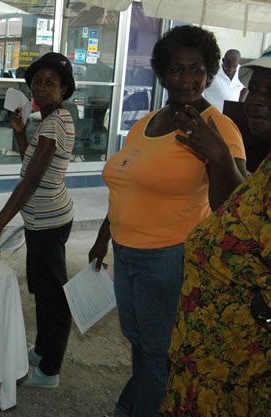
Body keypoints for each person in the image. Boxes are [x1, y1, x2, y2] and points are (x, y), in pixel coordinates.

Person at [88, 26, 247, 417]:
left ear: (209, 71)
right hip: (127, 252)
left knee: (160, 352)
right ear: (162, 73)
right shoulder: (146, 124)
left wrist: (218, 157)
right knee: (138, 341)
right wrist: (104, 236)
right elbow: (125, 183)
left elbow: (239, 206)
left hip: (169, 256)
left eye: (196, 69)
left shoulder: (219, 127)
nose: (187, 78)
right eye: (177, 68)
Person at [159, 47, 271, 417]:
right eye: (254, 90)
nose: (257, 101)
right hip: (207, 351)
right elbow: (238, 215)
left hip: (237, 364)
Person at [0, 52, 76, 388]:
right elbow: (31, 166)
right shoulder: (46, 120)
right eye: (37, 81)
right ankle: (42, 350)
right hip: (41, 221)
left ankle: (50, 370)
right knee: (41, 289)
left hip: (49, 222)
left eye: (51, 82)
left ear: (63, 89)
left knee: (53, 298)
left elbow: (30, 182)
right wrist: (21, 134)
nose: (42, 87)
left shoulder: (55, 122)